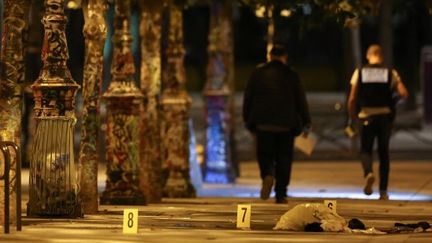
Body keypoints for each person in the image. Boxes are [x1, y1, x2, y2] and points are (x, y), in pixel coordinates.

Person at [242, 44, 311, 204]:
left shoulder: (258, 73)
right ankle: (281, 194)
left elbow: (248, 97)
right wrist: (306, 121)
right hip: (286, 125)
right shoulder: (291, 74)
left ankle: (267, 174)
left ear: (269, 56)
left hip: (263, 124)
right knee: (284, 159)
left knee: (264, 155)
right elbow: (300, 99)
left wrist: (248, 119)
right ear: (284, 57)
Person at [347, 44, 409, 200]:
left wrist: (352, 118)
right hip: (384, 118)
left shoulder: (360, 72)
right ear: (381, 56)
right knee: (383, 153)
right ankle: (383, 191)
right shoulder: (390, 72)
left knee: (365, 150)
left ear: (368, 55)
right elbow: (403, 93)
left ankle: (368, 173)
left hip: (365, 116)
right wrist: (392, 102)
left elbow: (352, 99)